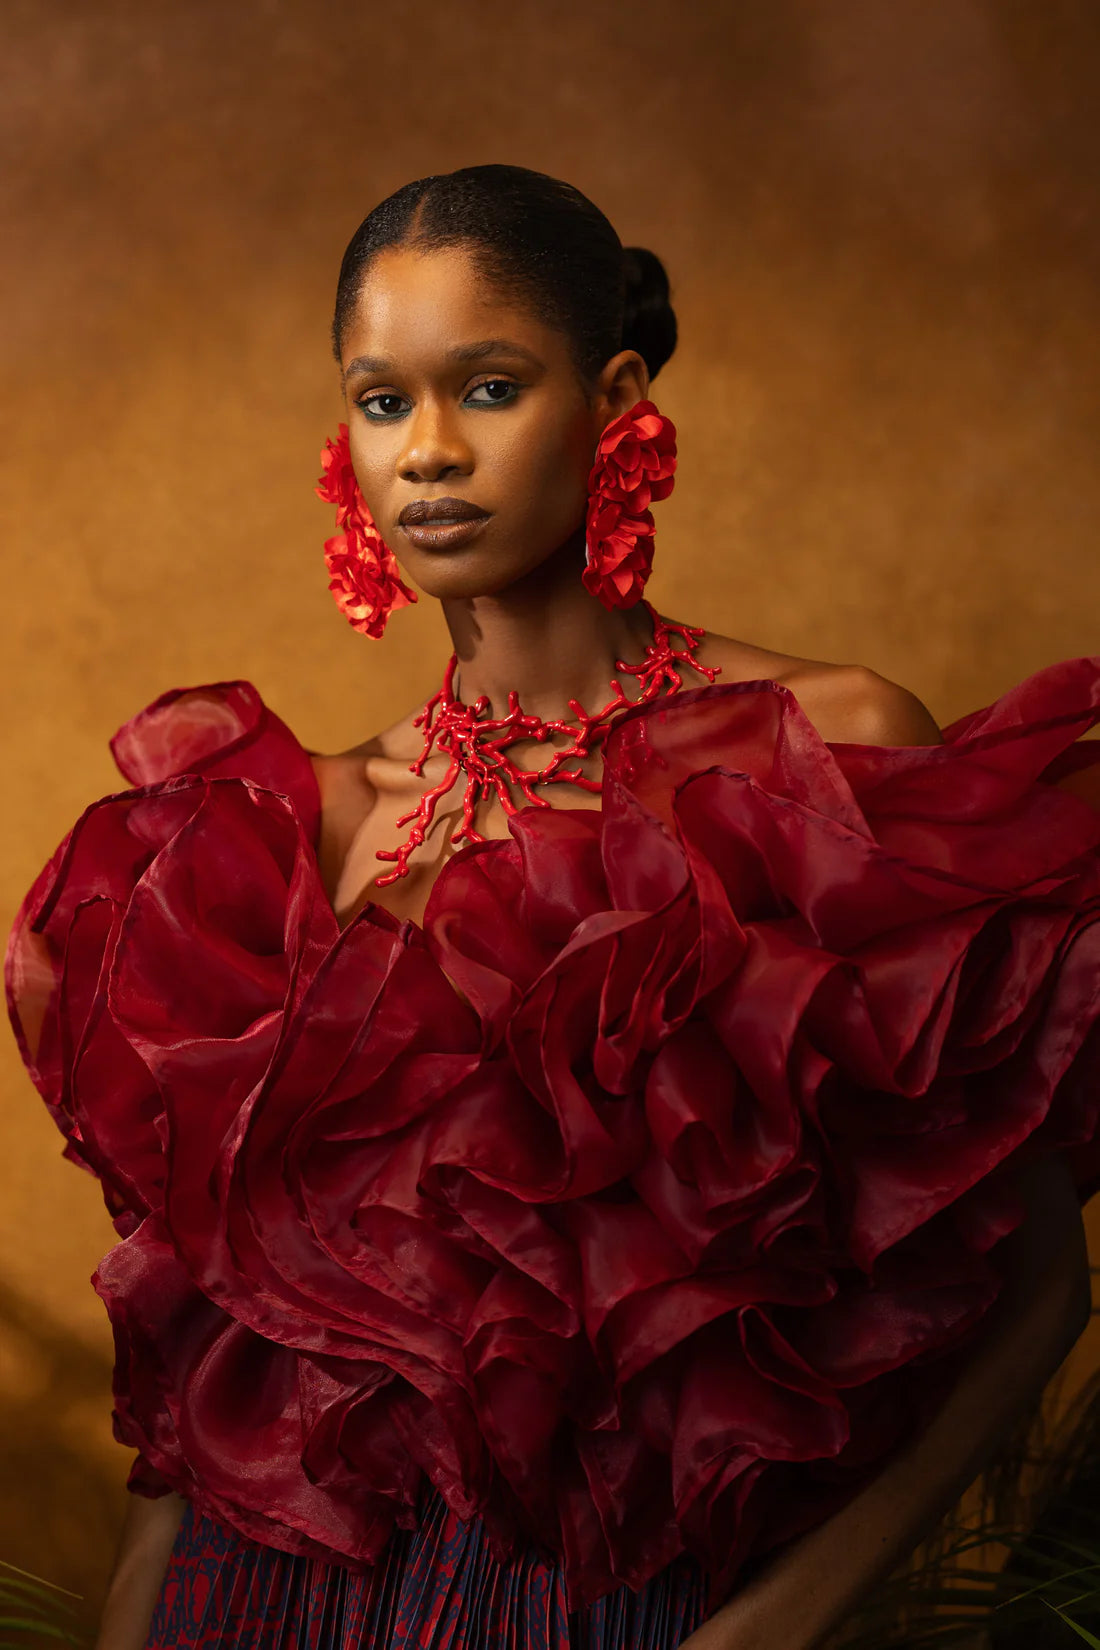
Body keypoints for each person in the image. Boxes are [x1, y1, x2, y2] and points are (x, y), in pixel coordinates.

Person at [6, 164, 1099, 1650]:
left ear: (619, 397)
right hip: (259, 1608)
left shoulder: (827, 754)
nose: (430, 453)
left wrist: (775, 1629)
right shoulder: (293, 830)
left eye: (492, 386)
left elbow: (1035, 1297)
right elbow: (208, 1397)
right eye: (383, 402)